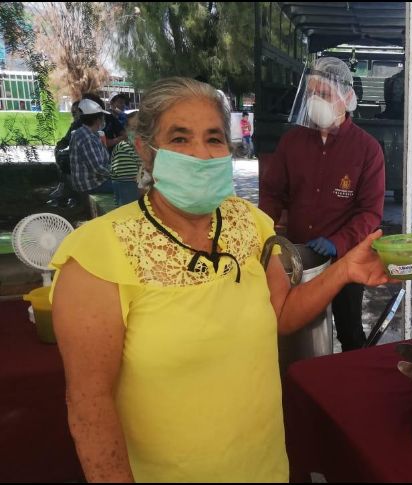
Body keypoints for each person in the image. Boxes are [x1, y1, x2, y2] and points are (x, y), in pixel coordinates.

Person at [50, 77, 392, 482]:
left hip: (263, 466)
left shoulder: (254, 227)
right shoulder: (96, 257)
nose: (200, 153)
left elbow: (280, 313)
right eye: (179, 138)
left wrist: (344, 270)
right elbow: (90, 405)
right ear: (146, 151)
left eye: (213, 139)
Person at [259, 57, 386, 351]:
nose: (316, 101)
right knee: (297, 328)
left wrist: (338, 242)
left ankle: (353, 388)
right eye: (311, 94)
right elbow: (272, 193)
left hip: (345, 260)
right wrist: (262, 232)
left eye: (325, 94)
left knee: (349, 332)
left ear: (347, 98)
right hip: (298, 258)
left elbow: (370, 213)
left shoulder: (367, 149)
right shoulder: (292, 143)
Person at [68, 98, 113, 195]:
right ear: (97, 120)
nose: (103, 120)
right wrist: (120, 174)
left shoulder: (87, 133)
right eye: (102, 117)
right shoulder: (88, 138)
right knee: (127, 186)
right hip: (90, 185)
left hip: (89, 182)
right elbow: (98, 168)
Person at [379, 43, 412, 119]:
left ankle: (396, 111)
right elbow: (405, 71)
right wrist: (393, 79)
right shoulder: (409, 52)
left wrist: (397, 79)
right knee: (389, 81)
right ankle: (389, 110)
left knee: (399, 83)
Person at [110, 110, 141, 206]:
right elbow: (129, 192)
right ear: (126, 130)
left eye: (141, 128)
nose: (137, 132)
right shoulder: (124, 151)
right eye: (133, 128)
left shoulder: (147, 149)